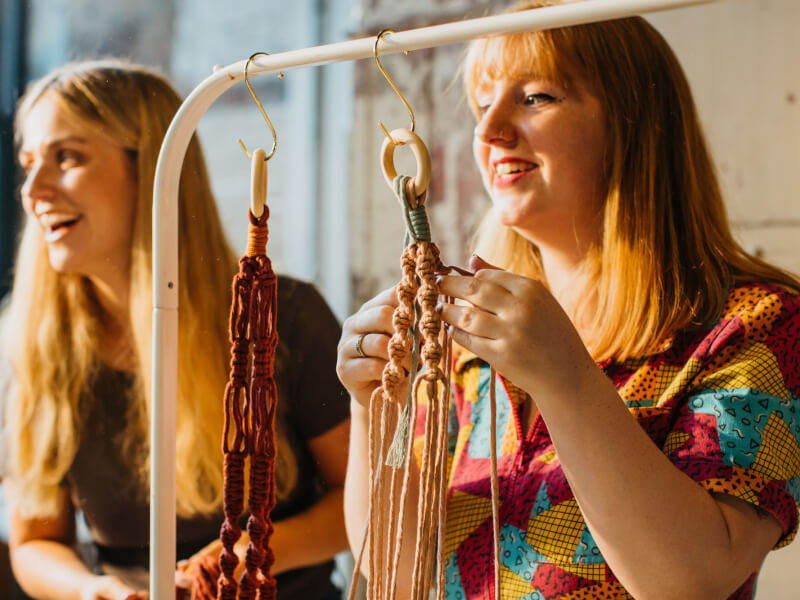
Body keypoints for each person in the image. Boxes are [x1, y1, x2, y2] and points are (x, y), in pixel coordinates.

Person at [337, 2, 800, 599]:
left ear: (632, 124)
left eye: (535, 98)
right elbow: (395, 573)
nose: (488, 131)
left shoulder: (756, 325)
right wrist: (372, 409)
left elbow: (690, 582)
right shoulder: (462, 347)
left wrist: (567, 382)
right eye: (483, 105)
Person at [0, 59, 350, 600]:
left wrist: (250, 556)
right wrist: (97, 593)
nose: (33, 190)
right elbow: (33, 541)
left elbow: (362, 498)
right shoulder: (28, 344)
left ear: (156, 171)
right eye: (29, 165)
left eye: (67, 157)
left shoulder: (283, 316)